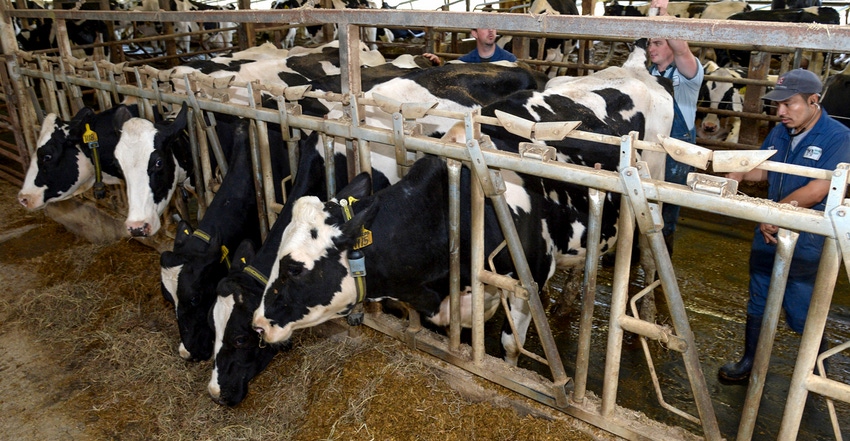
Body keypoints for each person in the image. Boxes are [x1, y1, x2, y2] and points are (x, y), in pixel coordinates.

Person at [720, 68, 850, 382]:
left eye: (788, 104)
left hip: (807, 236)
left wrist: (776, 212)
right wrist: (736, 172)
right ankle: (749, 361)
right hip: (769, 229)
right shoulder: (781, 131)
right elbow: (764, 169)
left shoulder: (839, 137)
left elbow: (820, 189)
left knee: (802, 307)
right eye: (777, 104)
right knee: (759, 296)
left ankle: (816, 373)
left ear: (813, 101)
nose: (780, 112)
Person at [647, 0, 705, 255]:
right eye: (649, 43)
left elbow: (683, 51)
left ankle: (663, 259)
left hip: (676, 148)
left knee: (668, 203)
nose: (651, 48)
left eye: (657, 43)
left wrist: (664, 15)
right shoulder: (647, 71)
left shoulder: (687, 74)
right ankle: (636, 250)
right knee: (641, 195)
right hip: (650, 143)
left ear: (671, 45)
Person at [423, 28, 516, 65]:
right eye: (485, 27)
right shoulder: (464, 62)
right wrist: (436, 65)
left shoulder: (509, 61)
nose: (491, 30)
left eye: (493, 26)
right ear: (474, 33)